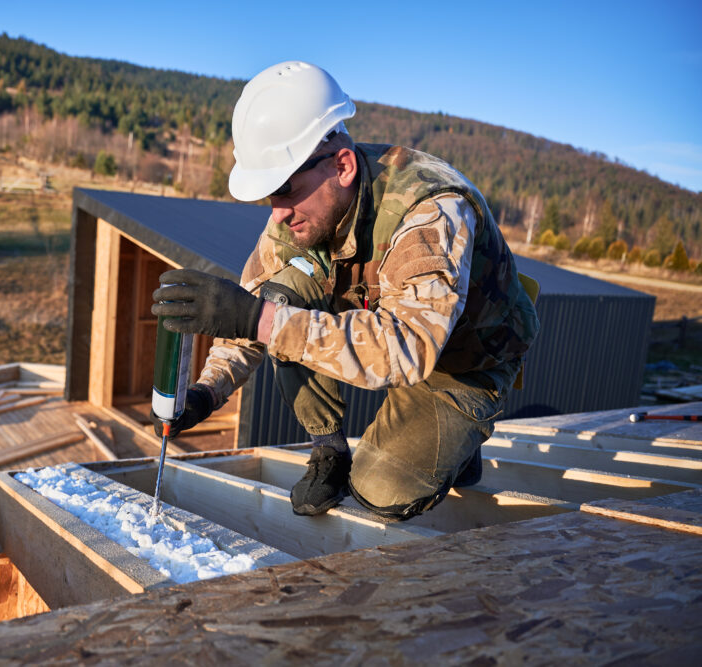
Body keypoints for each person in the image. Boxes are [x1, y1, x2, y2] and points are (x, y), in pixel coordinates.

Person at [151, 61, 540, 520]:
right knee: (282, 294)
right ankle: (329, 451)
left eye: (285, 190)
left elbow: (408, 349)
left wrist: (258, 318)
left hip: (465, 360)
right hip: (389, 334)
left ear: (343, 165)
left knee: (381, 491)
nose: (276, 213)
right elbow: (252, 312)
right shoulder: (296, 216)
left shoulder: (431, 211)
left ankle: (460, 442)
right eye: (269, 197)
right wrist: (204, 395)